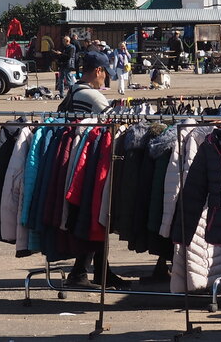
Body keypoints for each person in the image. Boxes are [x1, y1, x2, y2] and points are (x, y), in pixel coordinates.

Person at [59, 51, 128, 290]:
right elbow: (114, 129)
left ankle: (100, 270)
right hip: (89, 164)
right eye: (105, 75)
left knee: (94, 216)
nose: (106, 80)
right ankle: (82, 272)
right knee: (96, 214)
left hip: (75, 161)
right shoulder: (94, 97)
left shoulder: (74, 91)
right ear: (98, 71)